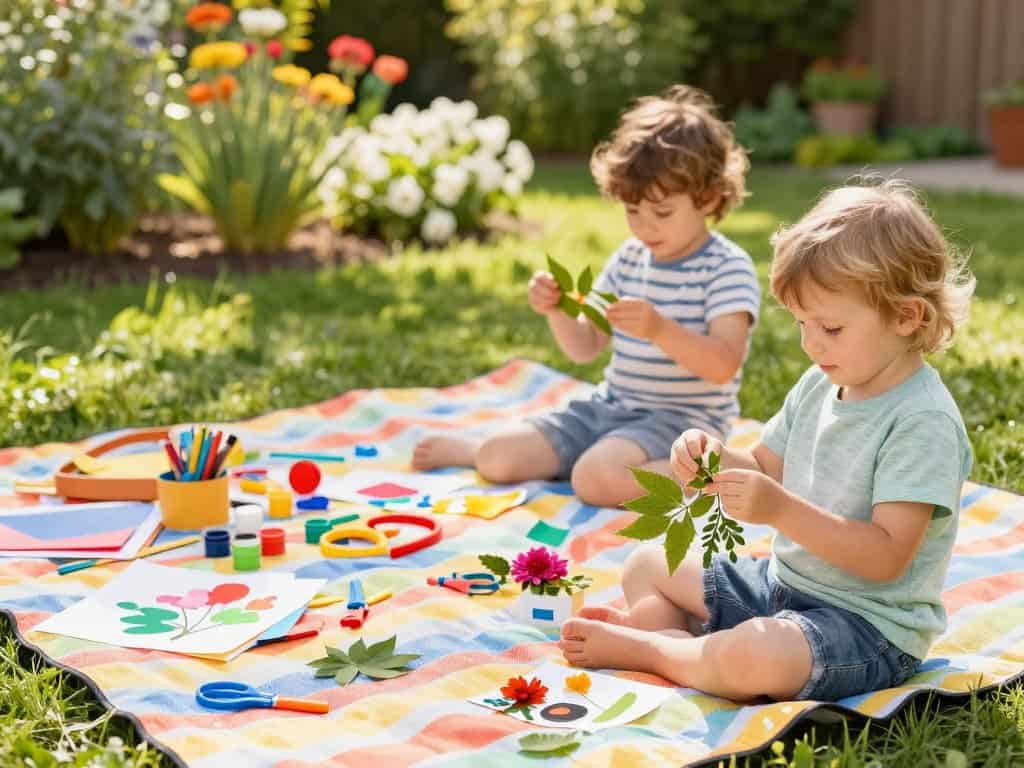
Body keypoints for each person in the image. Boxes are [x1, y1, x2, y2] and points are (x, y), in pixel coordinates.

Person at [559, 180, 976, 702]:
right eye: (802, 323)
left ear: (906, 316)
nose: (809, 343)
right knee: (648, 561)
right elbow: (762, 464)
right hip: (783, 586)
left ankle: (652, 652)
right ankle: (671, 639)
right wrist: (710, 460)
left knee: (753, 657)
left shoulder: (922, 421)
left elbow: (885, 558)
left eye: (829, 327)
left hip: (867, 627)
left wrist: (779, 511)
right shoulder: (824, 380)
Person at [412, 85, 760, 508]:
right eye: (632, 212)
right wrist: (556, 309)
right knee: (498, 458)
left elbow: (723, 364)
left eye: (662, 212)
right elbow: (584, 347)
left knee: (595, 481)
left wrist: (660, 329)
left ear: (707, 198)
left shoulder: (726, 266)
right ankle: (479, 451)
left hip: (681, 423)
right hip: (608, 408)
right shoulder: (631, 259)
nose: (644, 227)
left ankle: (716, 471)